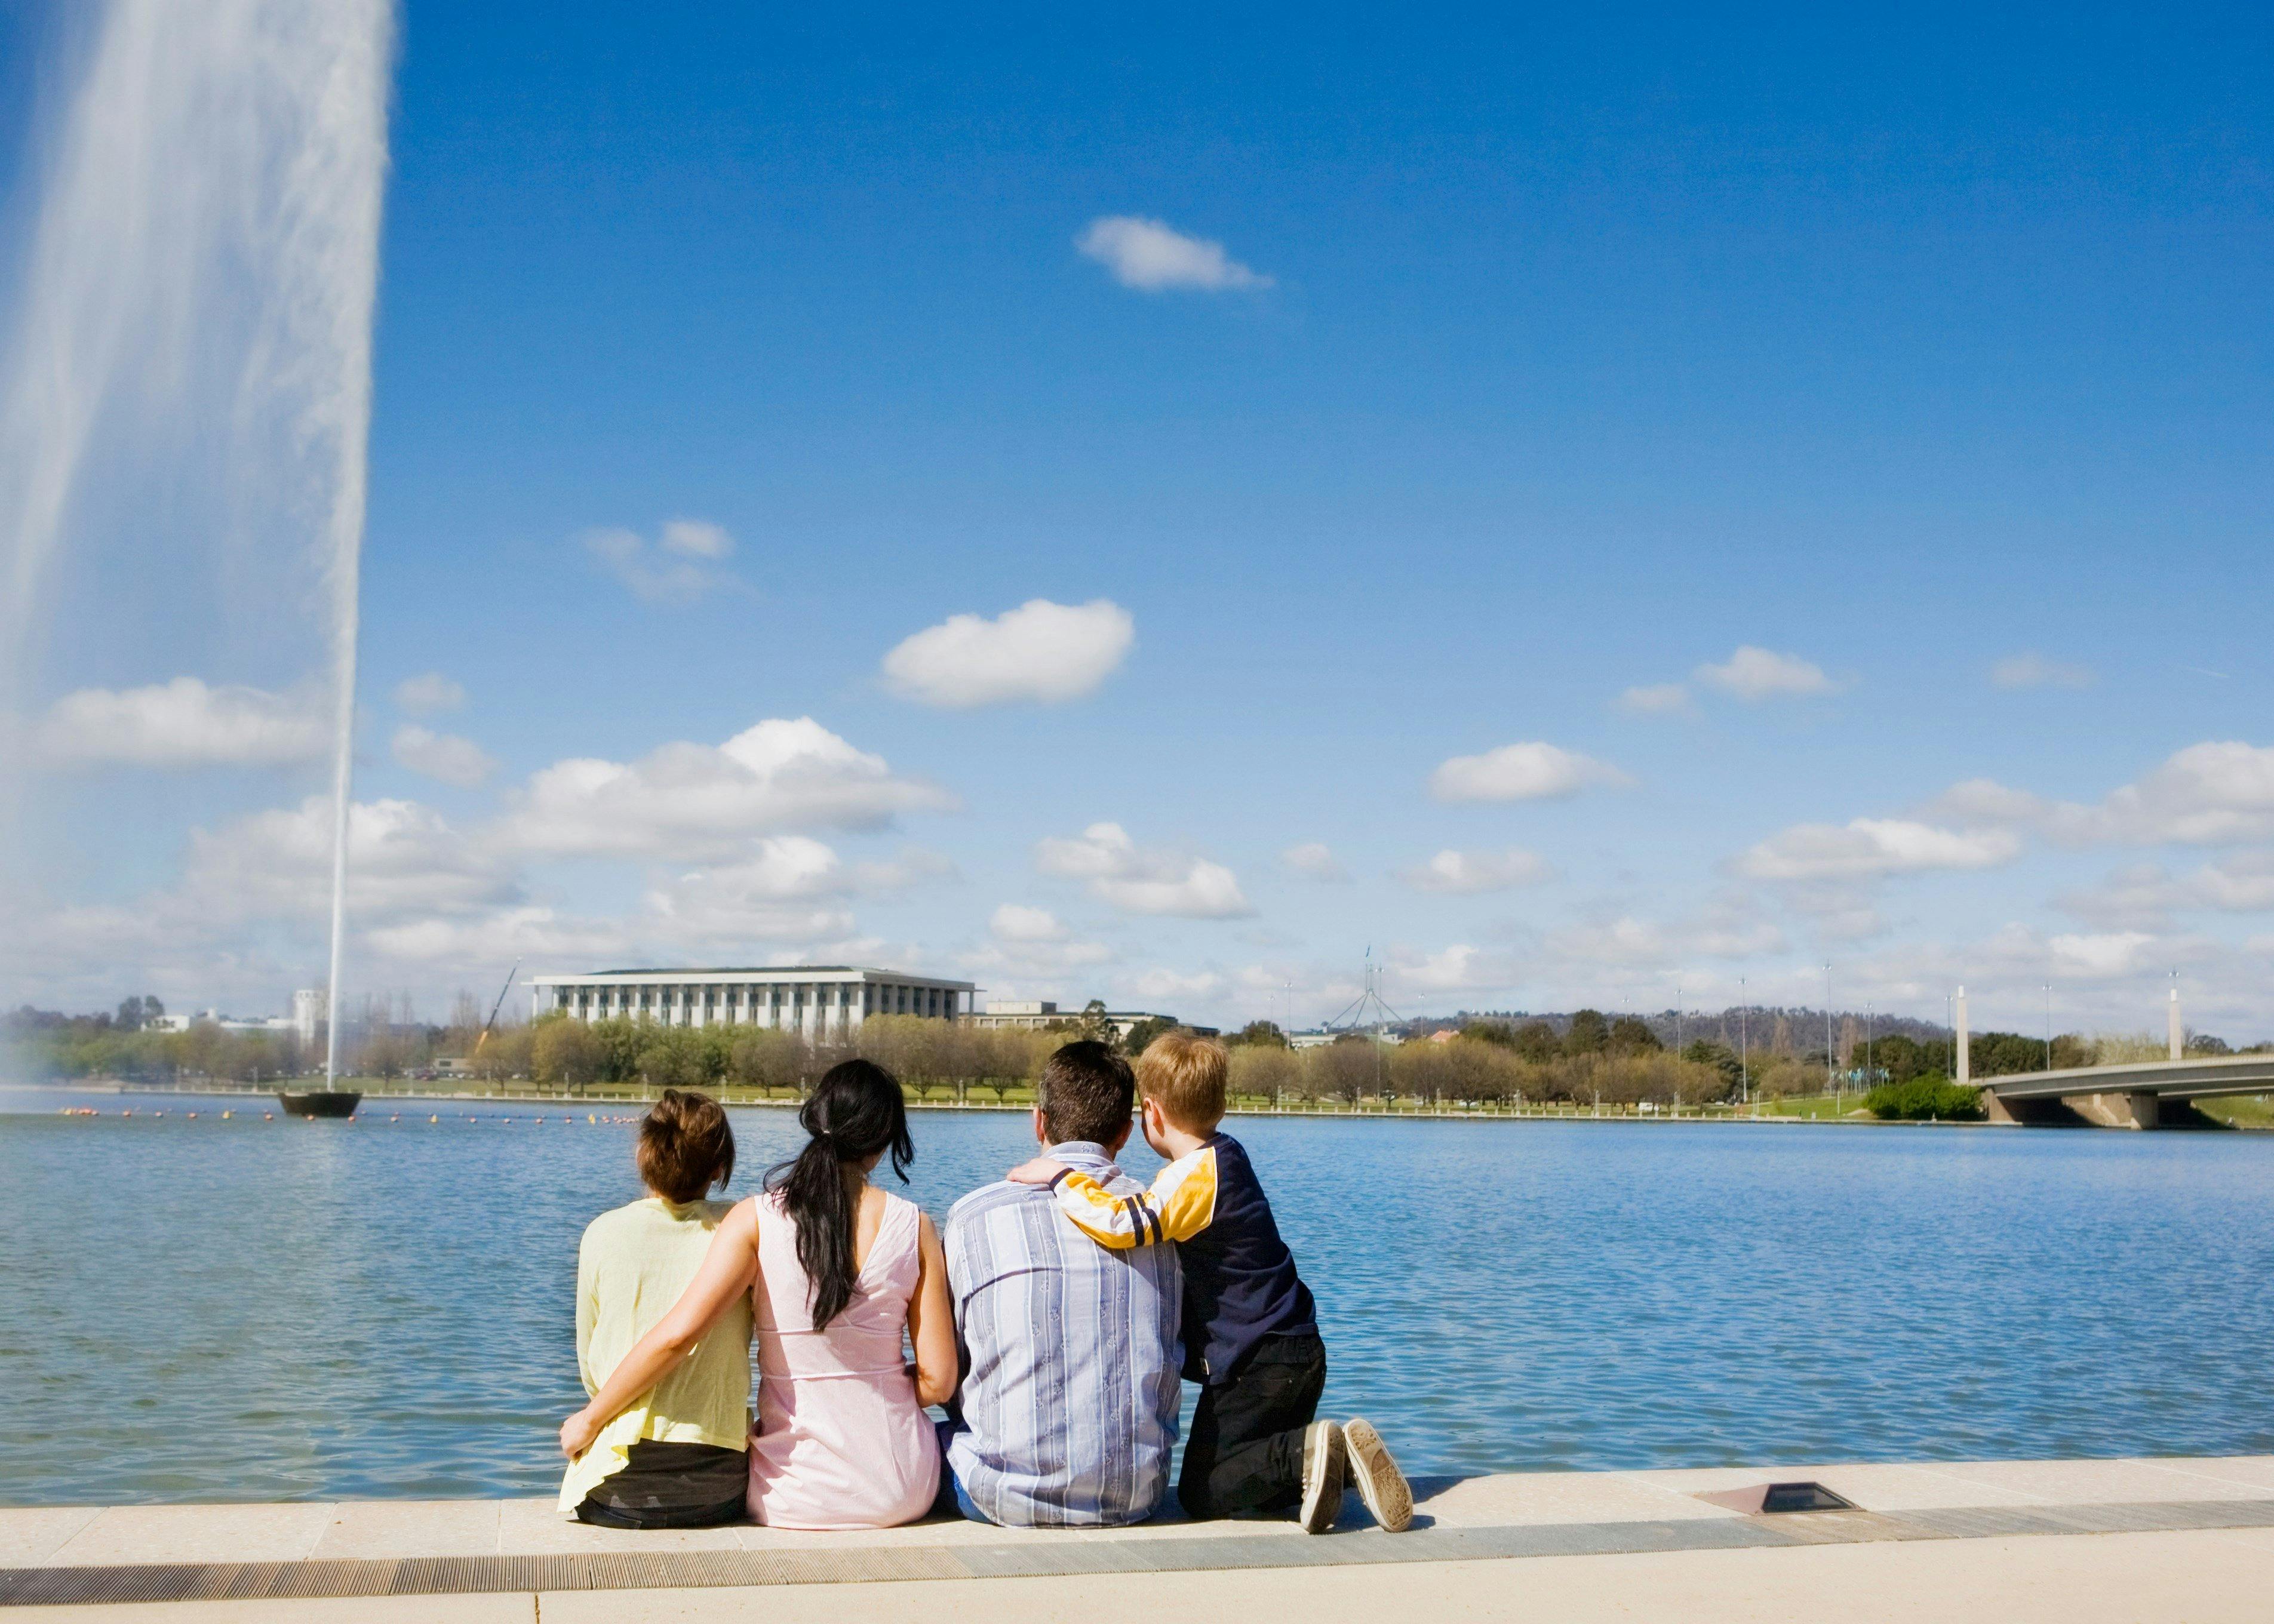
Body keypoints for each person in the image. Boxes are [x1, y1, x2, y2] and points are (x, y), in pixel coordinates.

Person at [1009, 1031, 1413, 1535]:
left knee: (1204, 1488)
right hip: (1294, 1350)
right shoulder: (1228, 1155)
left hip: (1258, 1362)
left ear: (1152, 1112)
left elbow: (1123, 1224)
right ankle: (1337, 1461)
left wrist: (1061, 1175)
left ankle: (1314, 1451)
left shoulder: (1194, 1177)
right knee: (1255, 1481)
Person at [560, 1060, 956, 1528]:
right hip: (902, 1487)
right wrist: (877, 1378)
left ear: (816, 1117)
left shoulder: (755, 1219)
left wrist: (591, 1417)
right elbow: (939, 1384)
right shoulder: (917, 1227)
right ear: (884, 1140)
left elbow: (677, 1335)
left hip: (792, 1492)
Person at [941, 1039, 1182, 1526]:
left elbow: (951, 1371)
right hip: (1136, 1496)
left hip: (999, 1498)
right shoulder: (1163, 1219)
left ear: (1039, 1121)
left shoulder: (972, 1217)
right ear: (1125, 1133)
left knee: (919, 1433)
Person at [558, 1089, 753, 1528]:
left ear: (643, 1155)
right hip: (717, 1487)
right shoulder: (742, 1231)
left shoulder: (602, 1232)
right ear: (720, 1167)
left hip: (615, 1487)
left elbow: (591, 1367)